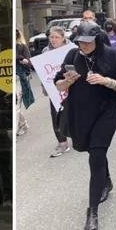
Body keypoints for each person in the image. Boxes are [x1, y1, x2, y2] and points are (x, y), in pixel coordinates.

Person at [54, 21, 116, 230]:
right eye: (80, 42)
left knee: (96, 155)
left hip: (106, 113)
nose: (83, 46)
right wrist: (67, 81)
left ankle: (92, 212)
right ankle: (106, 180)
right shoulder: (72, 56)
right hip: (81, 113)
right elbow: (58, 84)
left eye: (87, 42)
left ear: (96, 38)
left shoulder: (112, 55)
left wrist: (106, 80)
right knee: (93, 150)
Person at [44, 25, 73, 157]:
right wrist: (45, 87)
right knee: (55, 115)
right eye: (51, 37)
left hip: (71, 87)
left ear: (63, 38)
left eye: (56, 37)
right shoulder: (45, 52)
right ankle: (62, 142)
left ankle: (79, 136)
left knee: (75, 112)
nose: (53, 40)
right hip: (54, 89)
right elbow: (43, 70)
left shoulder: (72, 49)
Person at [16, 29, 34, 136]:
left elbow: (29, 63)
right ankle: (22, 124)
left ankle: (18, 128)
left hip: (20, 78)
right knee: (16, 105)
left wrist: (21, 60)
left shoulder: (22, 46)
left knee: (16, 104)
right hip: (10, 78)